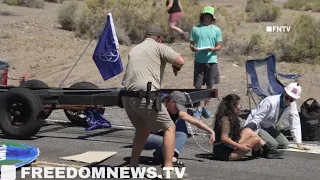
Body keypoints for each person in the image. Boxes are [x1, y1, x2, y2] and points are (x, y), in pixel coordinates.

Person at [120, 24, 187, 179]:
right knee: (169, 127)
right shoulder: (158, 47)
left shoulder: (135, 49)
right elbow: (180, 61)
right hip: (145, 96)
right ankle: (168, 169)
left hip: (126, 98)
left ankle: (133, 165)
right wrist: (176, 66)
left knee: (143, 130)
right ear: (159, 39)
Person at [144, 91, 215, 167]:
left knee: (181, 134)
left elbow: (196, 122)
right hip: (145, 138)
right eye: (177, 107)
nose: (178, 110)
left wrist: (211, 131)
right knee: (167, 140)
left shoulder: (177, 112)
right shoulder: (157, 108)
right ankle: (165, 158)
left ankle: (171, 157)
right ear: (171, 101)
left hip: (162, 137)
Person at [213, 94, 284, 161]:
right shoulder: (225, 120)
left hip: (228, 147)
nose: (240, 109)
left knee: (248, 130)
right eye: (239, 106)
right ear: (232, 107)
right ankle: (264, 151)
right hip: (225, 154)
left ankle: (268, 150)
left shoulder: (229, 116)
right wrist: (240, 146)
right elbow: (224, 138)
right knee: (255, 139)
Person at [245, 83, 311, 150]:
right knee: (273, 144)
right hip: (258, 125)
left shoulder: (292, 105)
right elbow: (257, 119)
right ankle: (256, 143)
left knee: (284, 144)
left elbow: (295, 123)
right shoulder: (270, 101)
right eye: (287, 97)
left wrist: (299, 144)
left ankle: (263, 143)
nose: (288, 101)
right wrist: (247, 130)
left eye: (291, 100)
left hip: (268, 126)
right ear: (284, 92)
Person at [189, 6, 222, 120]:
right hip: (199, 61)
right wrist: (193, 48)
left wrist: (214, 49)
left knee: (209, 85)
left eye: (209, 16)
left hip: (212, 61)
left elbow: (219, 45)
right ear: (202, 16)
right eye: (205, 15)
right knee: (198, 86)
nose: (207, 17)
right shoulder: (195, 29)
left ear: (212, 18)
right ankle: (198, 107)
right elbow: (192, 43)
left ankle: (205, 108)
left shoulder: (216, 30)